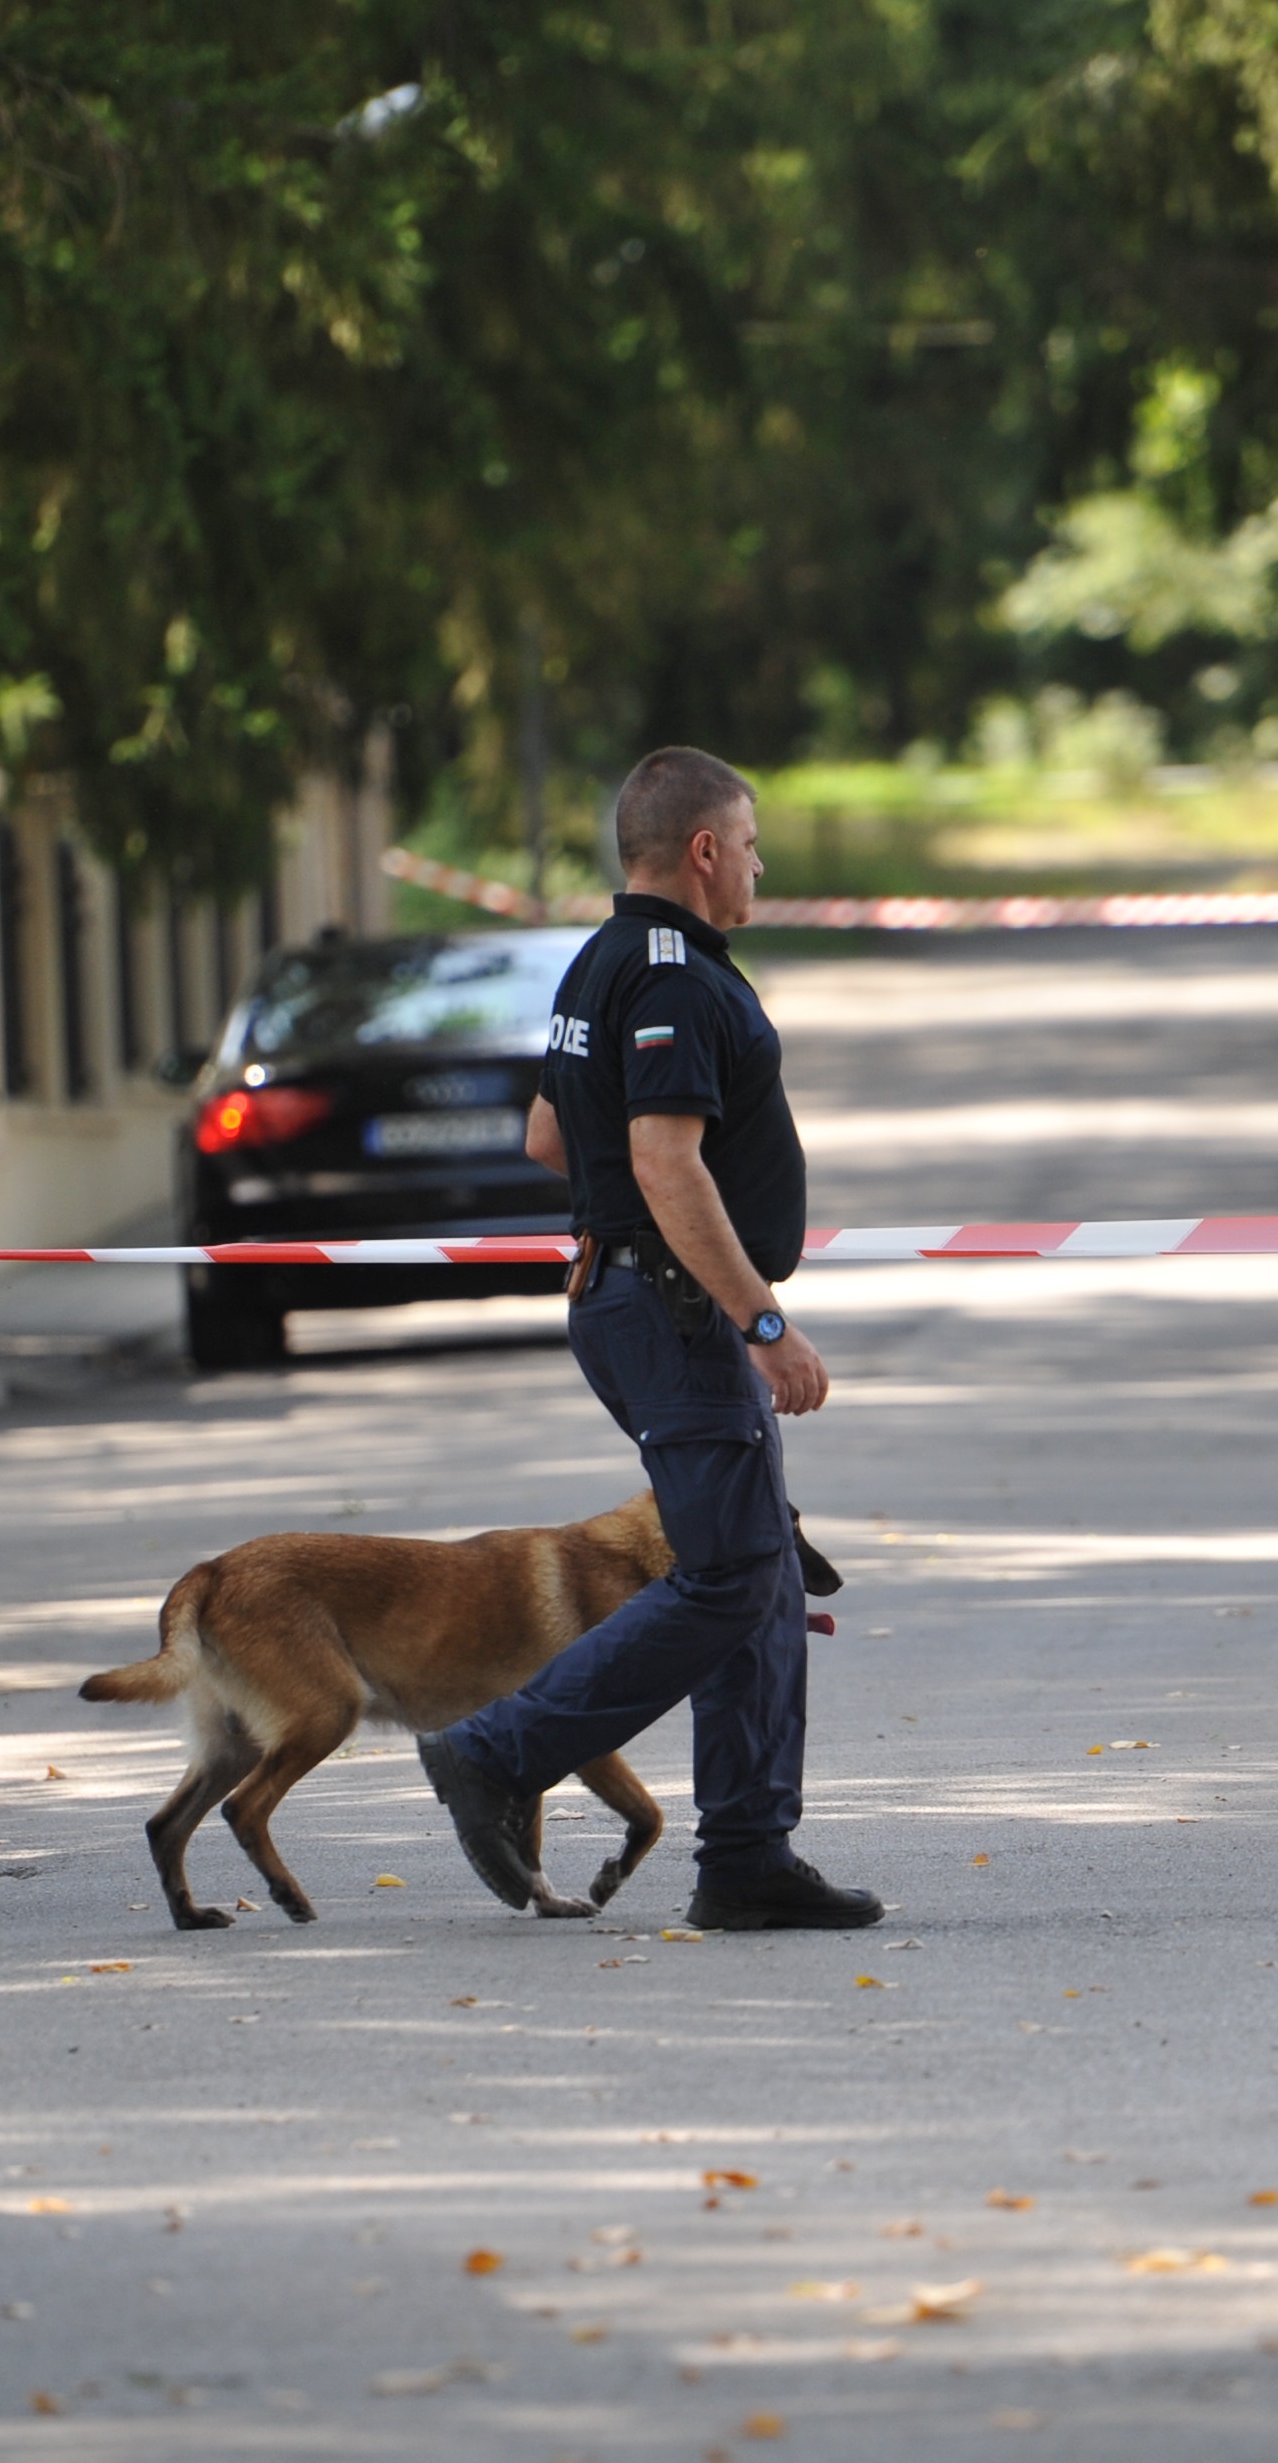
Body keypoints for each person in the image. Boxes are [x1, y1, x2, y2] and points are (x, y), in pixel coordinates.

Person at [415, 748, 880, 1933]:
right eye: (753, 842)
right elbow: (660, 1160)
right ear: (705, 850)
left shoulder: (598, 962)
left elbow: (548, 1137)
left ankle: (747, 1856)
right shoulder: (672, 976)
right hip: (674, 1309)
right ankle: (495, 1751)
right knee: (730, 1574)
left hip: (632, 1295)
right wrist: (761, 1318)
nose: (762, 865)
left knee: (758, 1573)